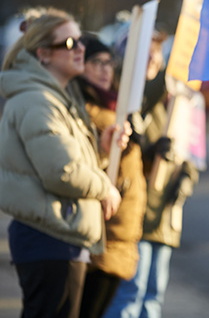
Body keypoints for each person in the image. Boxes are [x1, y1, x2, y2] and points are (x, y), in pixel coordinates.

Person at [0, 8, 126, 318]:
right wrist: (105, 188)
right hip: (50, 237)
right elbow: (62, 172)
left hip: (59, 235)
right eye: (69, 44)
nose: (81, 48)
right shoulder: (38, 100)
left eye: (81, 41)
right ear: (43, 54)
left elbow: (63, 161)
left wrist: (103, 151)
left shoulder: (54, 97)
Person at [104, 30, 199, 318]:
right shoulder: (124, 100)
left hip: (164, 216)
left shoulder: (175, 103)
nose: (151, 60)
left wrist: (186, 178)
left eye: (155, 53)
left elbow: (190, 152)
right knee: (129, 296)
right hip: (134, 217)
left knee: (153, 298)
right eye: (143, 52)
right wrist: (148, 150)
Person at [68, 36, 147, 318]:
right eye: (96, 62)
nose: (104, 70)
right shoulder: (83, 109)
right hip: (101, 232)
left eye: (108, 63)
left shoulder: (119, 108)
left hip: (122, 232)